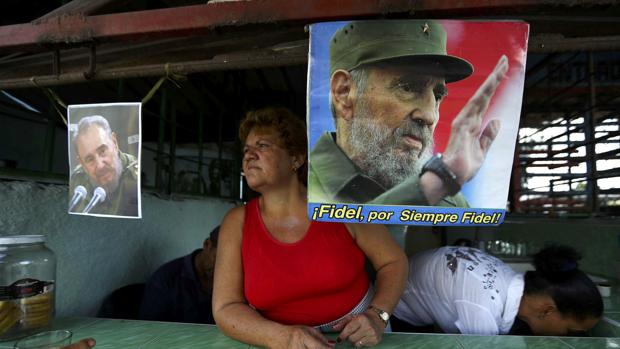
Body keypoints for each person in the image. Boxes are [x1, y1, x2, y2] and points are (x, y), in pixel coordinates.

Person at [212, 107, 408, 348]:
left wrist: (378, 315)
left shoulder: (340, 205)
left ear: (296, 159)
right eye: (246, 150)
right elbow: (225, 308)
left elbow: (394, 262)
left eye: (262, 146)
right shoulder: (237, 222)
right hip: (277, 340)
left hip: (360, 335)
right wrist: (284, 338)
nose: (249, 156)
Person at [309, 20, 508, 207]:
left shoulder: (450, 201)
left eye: (438, 97)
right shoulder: (298, 188)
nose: (429, 116)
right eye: (408, 87)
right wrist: (432, 185)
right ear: (344, 93)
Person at [392, 245, 603, 336]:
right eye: (571, 332)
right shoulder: (483, 311)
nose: (568, 337)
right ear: (547, 310)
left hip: (416, 300)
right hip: (395, 312)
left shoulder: (503, 276)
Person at [139, 226, 219, 324]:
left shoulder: (234, 276)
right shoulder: (165, 278)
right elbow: (149, 327)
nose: (224, 266)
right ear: (207, 244)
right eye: (218, 257)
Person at [69, 115, 139, 216]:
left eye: (102, 151)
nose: (100, 166)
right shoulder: (76, 181)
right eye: (89, 159)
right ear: (81, 163)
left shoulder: (137, 176)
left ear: (114, 142)